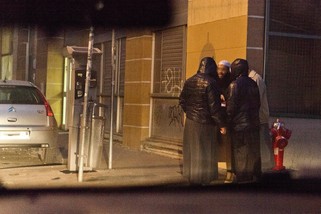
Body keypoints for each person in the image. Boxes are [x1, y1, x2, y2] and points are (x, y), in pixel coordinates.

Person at [179, 57, 226, 185]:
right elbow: (214, 108)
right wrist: (221, 125)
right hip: (206, 123)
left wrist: (189, 113)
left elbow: (182, 100)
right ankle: (203, 178)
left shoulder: (189, 81)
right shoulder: (211, 83)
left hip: (191, 121)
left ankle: (192, 175)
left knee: (192, 150)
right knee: (205, 151)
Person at [226, 58, 261, 183]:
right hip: (253, 124)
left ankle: (242, 179)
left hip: (239, 126)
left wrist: (226, 123)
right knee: (252, 152)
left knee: (240, 153)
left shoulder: (234, 85)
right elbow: (258, 103)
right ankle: (252, 177)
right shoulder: (253, 83)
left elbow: (231, 109)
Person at [248, 69, 274, 171]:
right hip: (259, 115)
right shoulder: (254, 78)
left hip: (260, 116)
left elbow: (256, 98)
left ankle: (267, 165)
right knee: (262, 141)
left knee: (263, 141)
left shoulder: (255, 79)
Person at [216, 60, 233, 182]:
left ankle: (230, 172)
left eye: (223, 69)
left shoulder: (231, 83)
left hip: (227, 120)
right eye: (219, 68)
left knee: (228, 148)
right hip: (217, 119)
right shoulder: (214, 81)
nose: (220, 71)